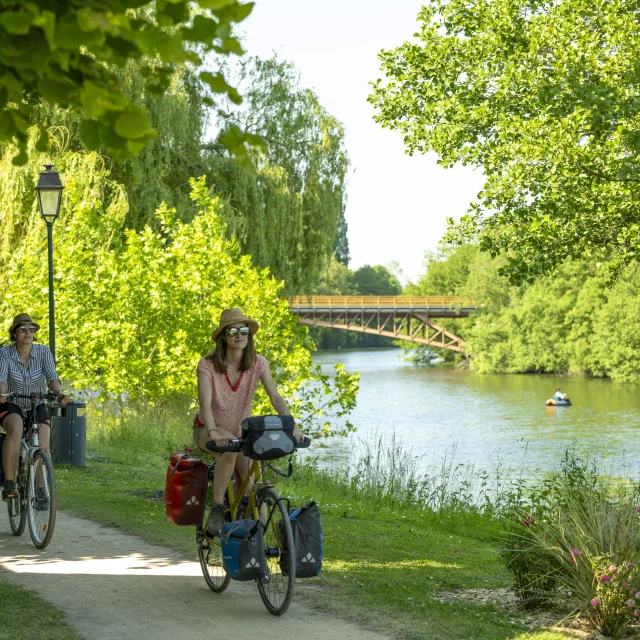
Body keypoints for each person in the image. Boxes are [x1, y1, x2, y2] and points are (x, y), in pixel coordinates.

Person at [194, 307, 304, 536]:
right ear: (223, 336)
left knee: (252, 482)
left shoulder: (258, 363)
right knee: (228, 450)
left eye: (243, 330)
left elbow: (274, 396)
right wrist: (213, 430)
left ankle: (258, 527)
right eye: (232, 330)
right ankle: (216, 508)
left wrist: (291, 424)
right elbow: (205, 403)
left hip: (242, 432)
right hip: (209, 428)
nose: (239, 335)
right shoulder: (207, 366)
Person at [0, 313, 72, 503]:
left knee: (43, 445)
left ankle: (40, 488)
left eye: (31, 329)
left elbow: (52, 379)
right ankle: (9, 483)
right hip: (12, 402)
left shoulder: (43, 352)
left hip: (36, 402)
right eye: (22, 329)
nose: (28, 333)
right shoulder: (5, 354)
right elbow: (1, 380)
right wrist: (1, 393)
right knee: (15, 429)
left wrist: (59, 394)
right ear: (14, 333)